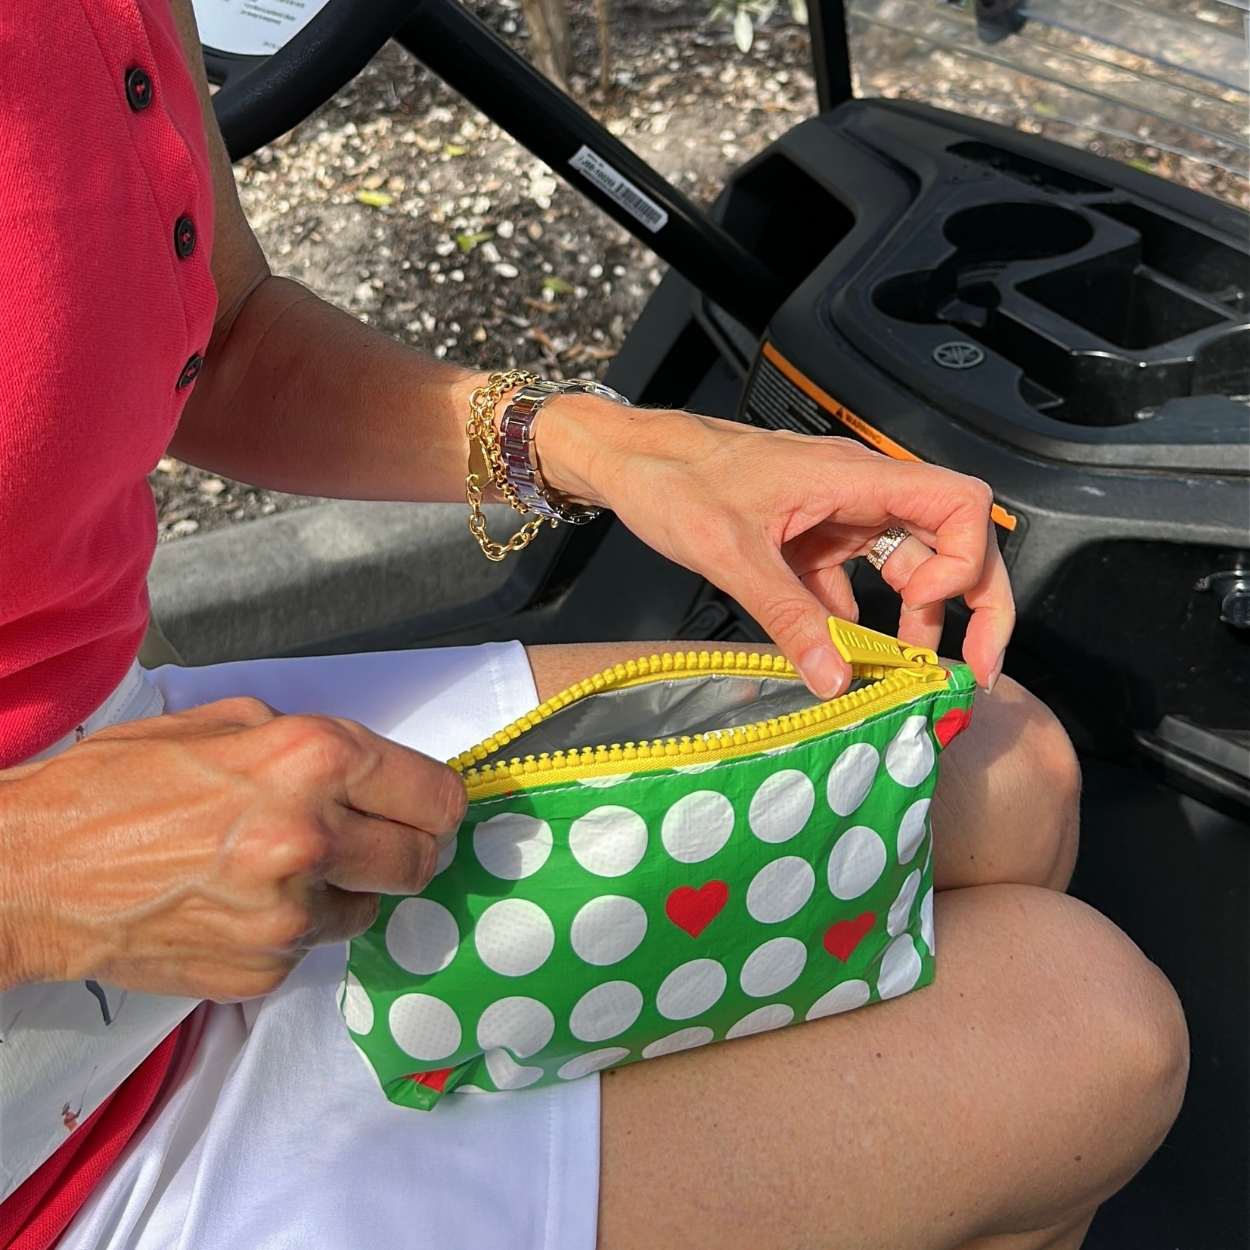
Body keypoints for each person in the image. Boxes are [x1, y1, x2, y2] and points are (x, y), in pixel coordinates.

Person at [0, 2, 1187, 1248]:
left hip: (134, 763)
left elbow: (224, 334)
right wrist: (45, 877)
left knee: (1002, 768)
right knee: (1094, 1040)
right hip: (46, 1135)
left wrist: (615, 449)